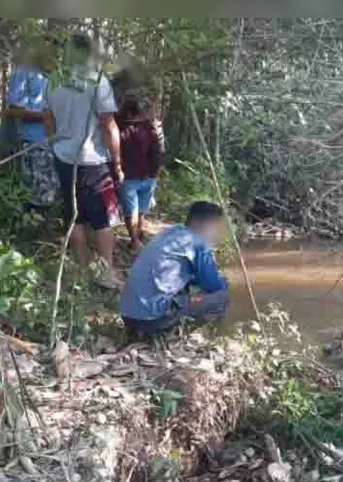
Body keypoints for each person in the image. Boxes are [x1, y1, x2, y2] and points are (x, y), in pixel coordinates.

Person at [43, 33, 123, 289]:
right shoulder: (98, 81)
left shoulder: (54, 80)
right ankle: (106, 273)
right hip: (92, 160)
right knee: (103, 219)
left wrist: (55, 146)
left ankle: (84, 267)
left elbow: (48, 118)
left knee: (73, 215)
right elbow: (109, 125)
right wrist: (117, 162)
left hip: (64, 157)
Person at [120, 201, 230, 336]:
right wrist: (224, 283)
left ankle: (141, 331)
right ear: (202, 224)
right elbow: (212, 285)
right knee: (222, 297)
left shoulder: (171, 232)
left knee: (191, 287)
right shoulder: (197, 242)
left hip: (127, 316)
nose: (216, 234)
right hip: (152, 319)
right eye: (215, 228)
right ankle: (209, 334)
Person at [2, 41, 58, 209]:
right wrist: (44, 116)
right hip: (34, 143)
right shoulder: (23, 71)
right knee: (38, 196)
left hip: (56, 143)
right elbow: (13, 110)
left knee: (54, 193)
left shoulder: (54, 74)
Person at [117, 95, 164, 251]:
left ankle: (135, 239)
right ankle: (138, 236)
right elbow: (157, 151)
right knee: (141, 209)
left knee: (131, 211)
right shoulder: (148, 127)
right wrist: (155, 173)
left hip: (129, 176)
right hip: (147, 175)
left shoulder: (119, 127)